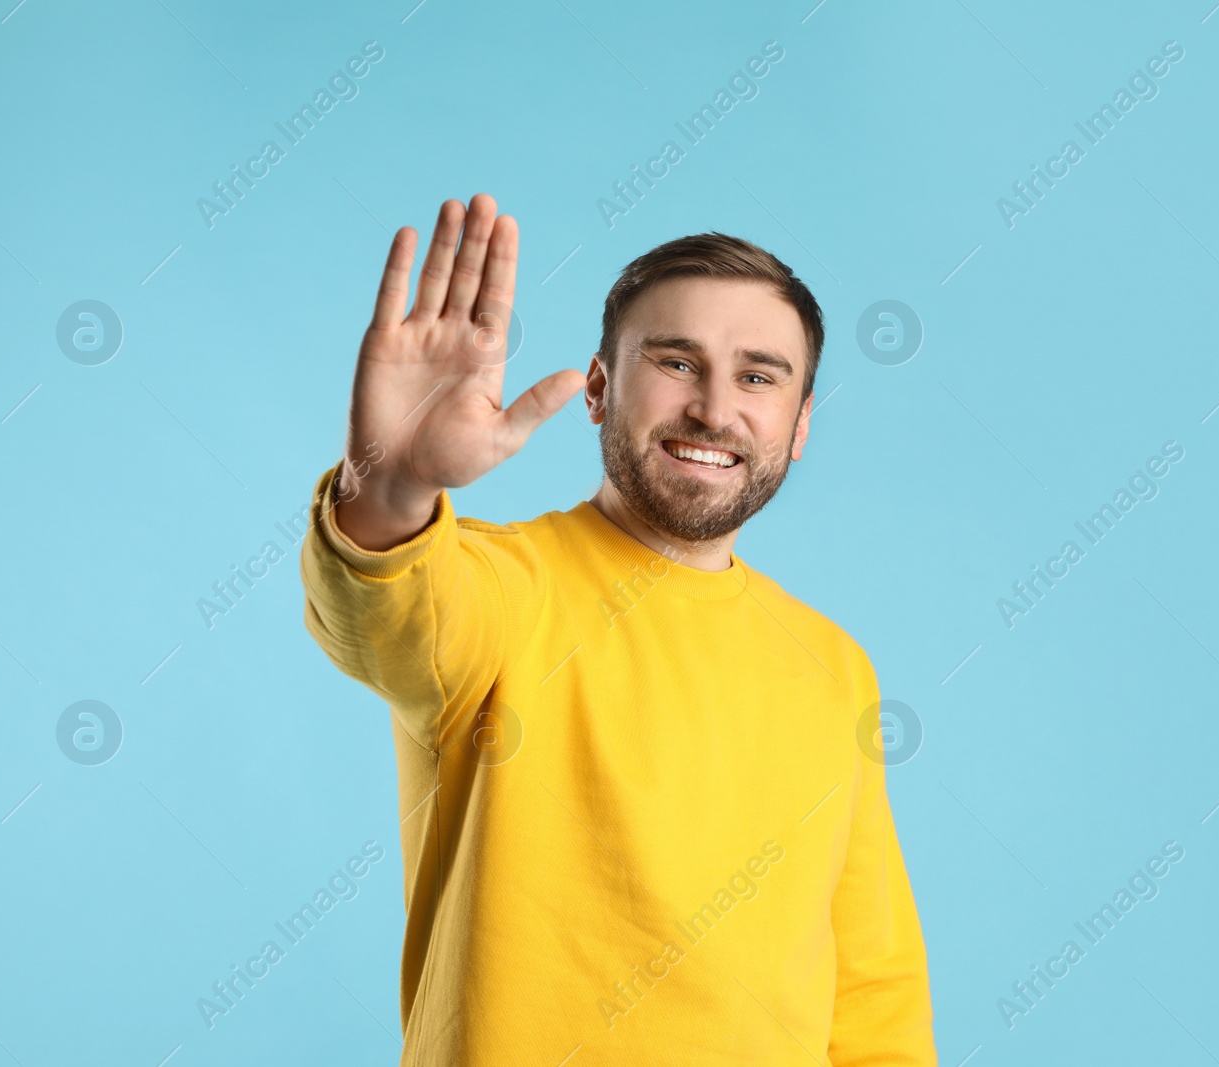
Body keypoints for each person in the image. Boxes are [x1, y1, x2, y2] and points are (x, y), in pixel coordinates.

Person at [300, 193, 936, 1065]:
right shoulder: (502, 588)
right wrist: (392, 485)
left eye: (758, 376)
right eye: (677, 363)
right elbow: (388, 611)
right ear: (599, 390)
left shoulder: (833, 665)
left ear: (800, 425)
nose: (715, 409)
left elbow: (874, 988)